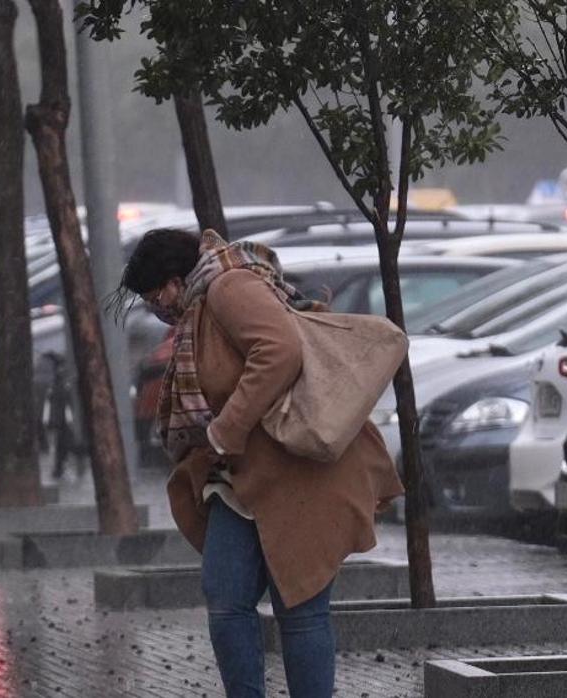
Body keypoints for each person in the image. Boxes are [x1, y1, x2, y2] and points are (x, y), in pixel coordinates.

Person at [109, 228, 404, 697]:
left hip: (298, 470)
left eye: (154, 295)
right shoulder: (202, 304)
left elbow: (279, 351)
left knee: (300, 604)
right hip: (241, 477)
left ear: (173, 278)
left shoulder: (229, 287)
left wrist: (228, 428)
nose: (157, 308)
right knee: (225, 596)